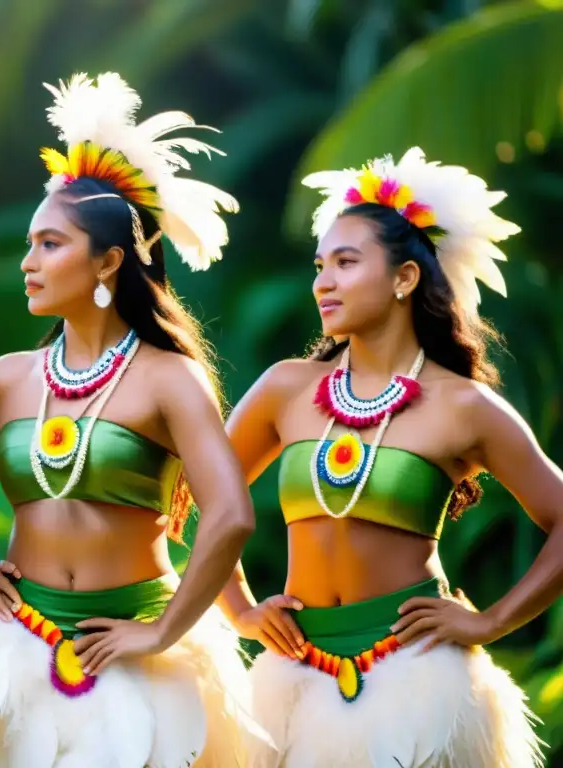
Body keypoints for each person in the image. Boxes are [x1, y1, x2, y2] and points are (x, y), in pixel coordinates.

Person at [0, 72, 274, 768]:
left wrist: (163, 633)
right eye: (29, 244)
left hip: (140, 651)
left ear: (109, 261)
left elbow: (230, 514)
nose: (28, 262)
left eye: (50, 245)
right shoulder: (3, 381)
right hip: (15, 647)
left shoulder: (169, 378)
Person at [222, 147, 554, 766]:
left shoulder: (462, 406)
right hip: (293, 679)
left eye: (347, 263)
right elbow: (207, 498)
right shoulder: (284, 389)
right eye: (320, 265)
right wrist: (241, 610)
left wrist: (493, 621)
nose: (323, 281)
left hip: (417, 681)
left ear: (404, 279)